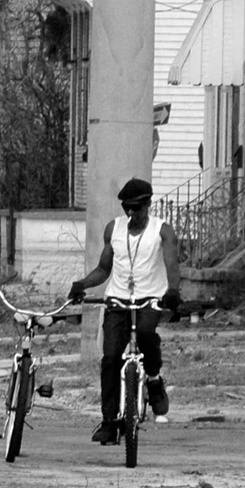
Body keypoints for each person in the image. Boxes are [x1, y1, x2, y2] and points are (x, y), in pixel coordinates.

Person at [68, 178, 183, 445]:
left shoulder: (161, 230)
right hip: (118, 299)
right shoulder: (114, 230)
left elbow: (171, 263)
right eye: (126, 208)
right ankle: (109, 422)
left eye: (136, 208)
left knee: (145, 333)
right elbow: (103, 269)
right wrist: (81, 284)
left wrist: (173, 292)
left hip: (150, 298)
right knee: (110, 358)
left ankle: (153, 379)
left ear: (148, 204)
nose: (131, 214)